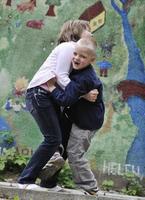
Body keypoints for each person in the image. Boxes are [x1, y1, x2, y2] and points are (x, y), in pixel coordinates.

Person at [17, 20, 98, 190]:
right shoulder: (70, 46)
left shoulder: (75, 50)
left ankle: (49, 183)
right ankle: (25, 181)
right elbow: (61, 76)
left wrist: (80, 92)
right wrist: (82, 94)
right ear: (77, 31)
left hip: (49, 96)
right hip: (40, 93)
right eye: (88, 30)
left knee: (62, 141)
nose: (91, 34)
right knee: (53, 139)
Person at [45, 37, 105, 195]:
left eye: (83, 56)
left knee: (75, 154)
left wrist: (51, 87)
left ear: (92, 60)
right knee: (65, 147)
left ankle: (91, 188)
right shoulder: (78, 71)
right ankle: (46, 176)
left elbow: (65, 98)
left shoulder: (84, 78)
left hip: (86, 123)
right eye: (75, 54)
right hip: (78, 118)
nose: (77, 58)